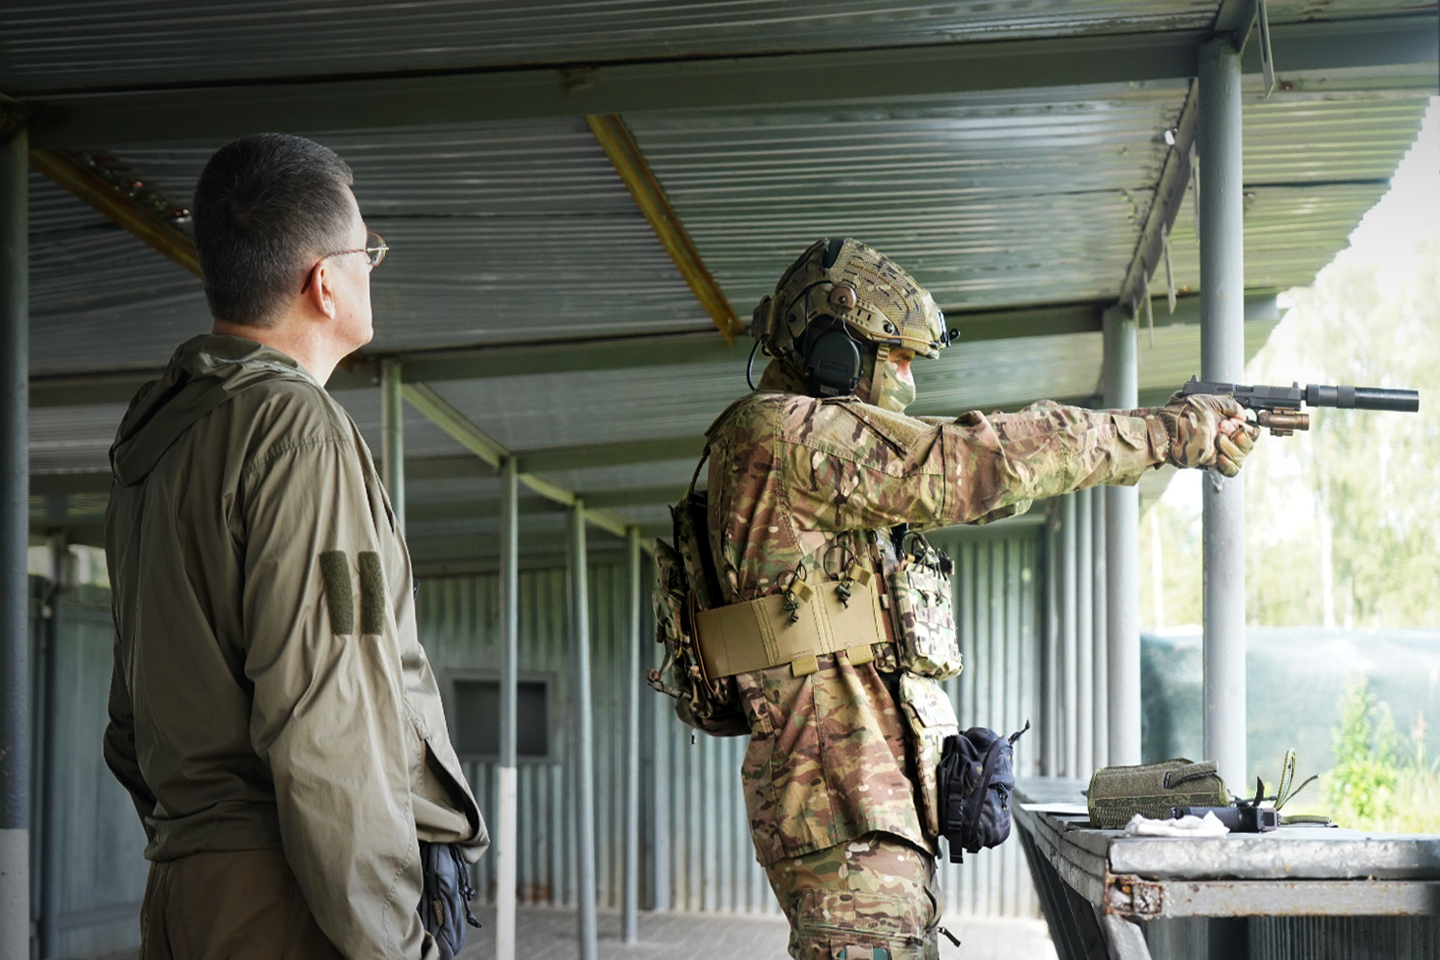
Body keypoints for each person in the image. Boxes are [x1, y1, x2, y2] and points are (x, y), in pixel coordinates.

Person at [675, 238, 1256, 960]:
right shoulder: (779, 434)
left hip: (856, 815)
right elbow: (972, 464)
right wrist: (1165, 433)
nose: (908, 383)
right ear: (835, 351)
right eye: (898, 358)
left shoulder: (792, 455)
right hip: (845, 818)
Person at [102, 134, 488, 960]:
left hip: (192, 886)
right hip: (292, 899)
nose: (373, 268)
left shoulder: (162, 436)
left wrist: (203, 847)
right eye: (367, 252)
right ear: (324, 282)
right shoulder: (295, 432)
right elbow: (329, 720)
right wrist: (395, 945)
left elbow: (129, 723)